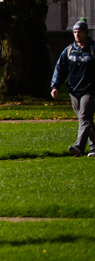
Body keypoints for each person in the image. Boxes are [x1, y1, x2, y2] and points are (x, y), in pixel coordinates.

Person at [51, 18, 94, 158]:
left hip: (90, 90)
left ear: (86, 33)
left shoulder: (93, 49)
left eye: (80, 32)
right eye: (75, 32)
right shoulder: (69, 51)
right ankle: (94, 147)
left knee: (85, 117)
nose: (77, 34)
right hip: (74, 90)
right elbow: (60, 69)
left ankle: (78, 147)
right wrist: (55, 86)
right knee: (85, 120)